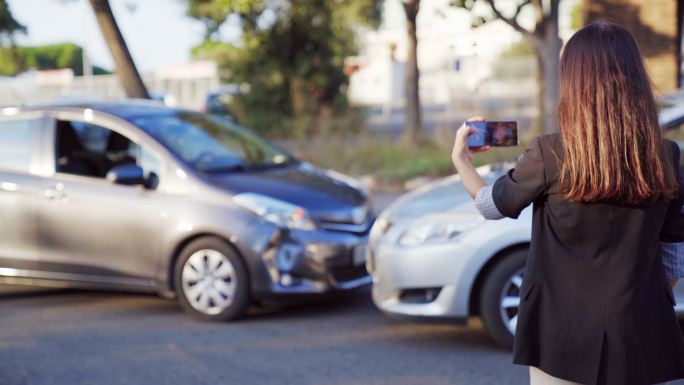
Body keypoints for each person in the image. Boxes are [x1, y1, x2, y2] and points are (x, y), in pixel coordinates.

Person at [451, 22, 684, 385]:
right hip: (643, 335)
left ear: (574, 80)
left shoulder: (550, 153)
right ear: (636, 77)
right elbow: (674, 247)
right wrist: (644, 299)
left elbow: (490, 205)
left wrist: (462, 161)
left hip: (559, 337)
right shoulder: (666, 155)